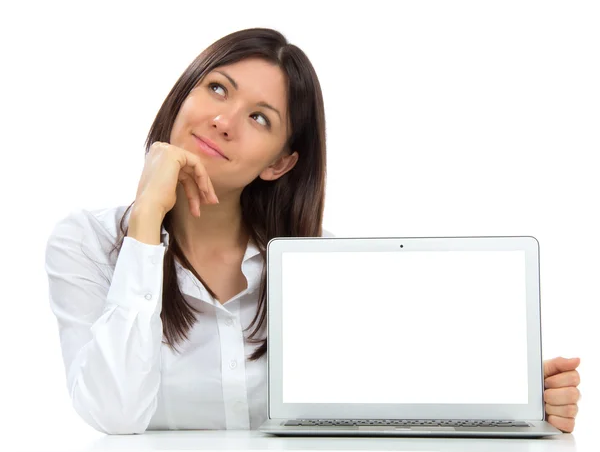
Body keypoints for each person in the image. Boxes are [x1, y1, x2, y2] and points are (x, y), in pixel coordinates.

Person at [45, 27, 581, 435]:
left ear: (278, 164)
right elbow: (114, 414)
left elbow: (385, 391)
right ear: (183, 96)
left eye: (260, 118)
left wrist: (518, 397)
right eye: (216, 88)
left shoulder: (315, 267)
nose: (224, 121)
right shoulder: (86, 244)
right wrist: (146, 221)